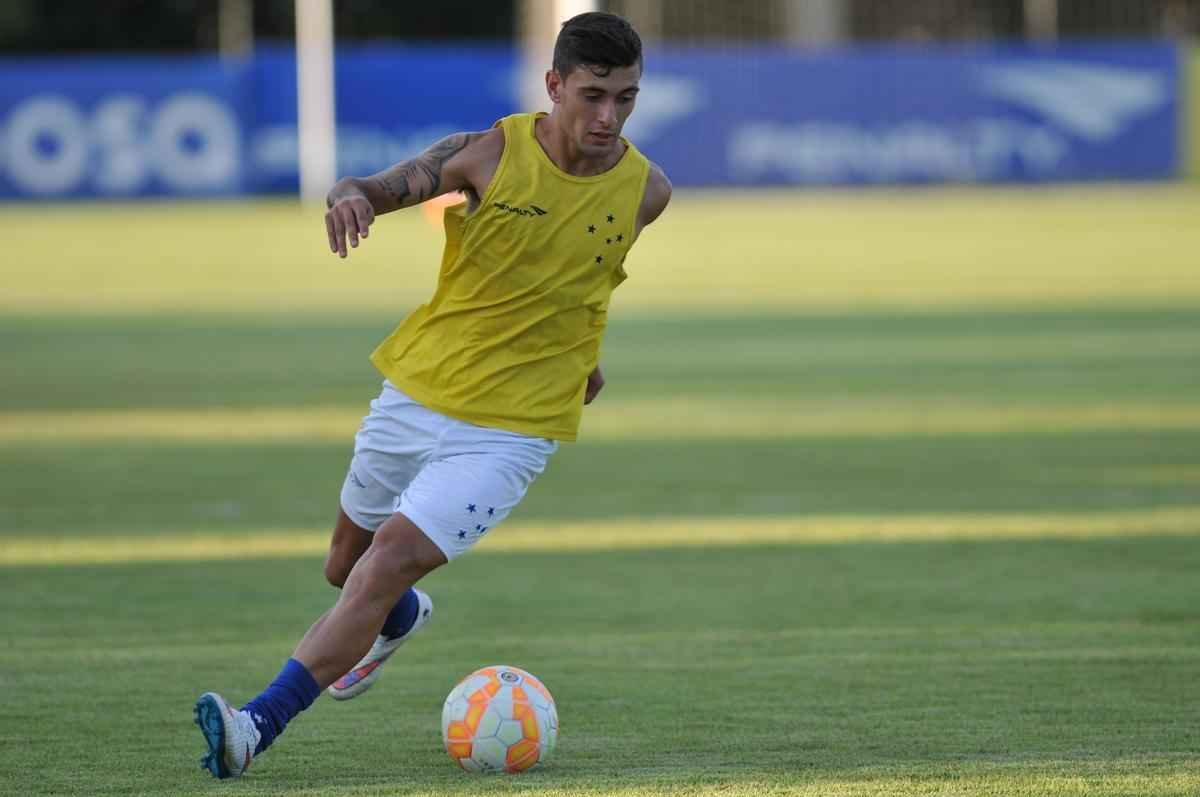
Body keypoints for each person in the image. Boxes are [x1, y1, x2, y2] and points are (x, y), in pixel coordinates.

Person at [193, 11, 671, 779]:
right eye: (593, 95)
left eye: (626, 98)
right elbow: (375, 186)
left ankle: (253, 726)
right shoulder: (487, 154)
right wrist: (349, 195)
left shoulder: (646, 190)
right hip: (420, 389)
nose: (608, 117)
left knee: (382, 562)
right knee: (344, 565)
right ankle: (400, 617)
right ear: (554, 86)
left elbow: (590, 276)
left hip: (512, 430)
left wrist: (583, 360)